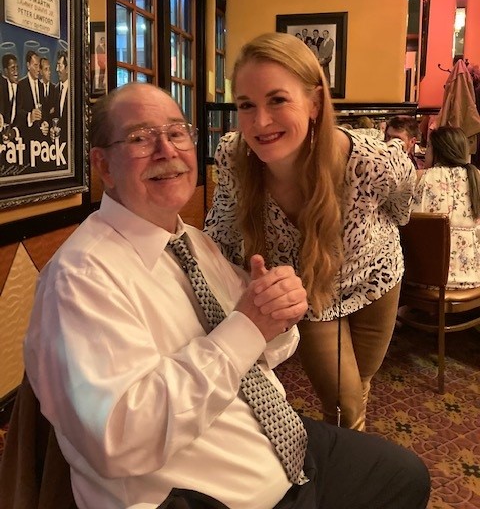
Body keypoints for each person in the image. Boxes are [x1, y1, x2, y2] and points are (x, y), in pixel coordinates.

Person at [24, 82, 430, 509]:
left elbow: (265, 349)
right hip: (209, 495)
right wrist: (246, 327)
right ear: (103, 166)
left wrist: (277, 312)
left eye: (177, 132)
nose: (167, 150)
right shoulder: (81, 277)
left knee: (404, 475)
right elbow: (118, 438)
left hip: (277, 444)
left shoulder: (196, 245)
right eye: (141, 138)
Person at [204, 32, 417, 432]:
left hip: (377, 277)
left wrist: (392, 225)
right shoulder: (234, 157)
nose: (260, 121)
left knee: (362, 384)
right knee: (343, 401)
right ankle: (349, 473)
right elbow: (221, 226)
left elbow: (404, 193)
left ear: (314, 103)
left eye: (278, 100)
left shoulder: (366, 162)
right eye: (246, 105)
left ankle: (349, 451)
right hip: (314, 292)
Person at [412, 126, 480, 288]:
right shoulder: (475, 176)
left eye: (428, 146)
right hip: (475, 279)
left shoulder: (421, 177)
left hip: (427, 281)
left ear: (435, 150)